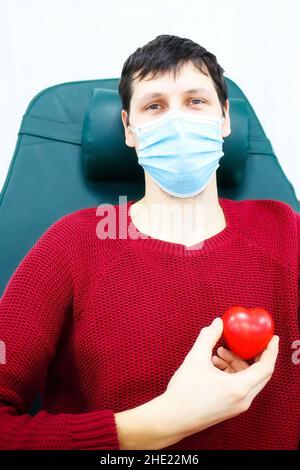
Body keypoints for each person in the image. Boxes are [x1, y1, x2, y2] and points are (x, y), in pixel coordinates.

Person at [0, 34, 298, 450]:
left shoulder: (286, 231)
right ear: (128, 129)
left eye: (196, 102)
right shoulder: (74, 243)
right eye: (154, 106)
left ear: (226, 119)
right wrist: (152, 426)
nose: (177, 122)